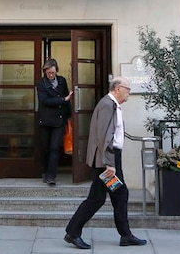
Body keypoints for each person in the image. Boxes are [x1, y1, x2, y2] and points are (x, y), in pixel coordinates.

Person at [64, 77, 146, 249]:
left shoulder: (113, 105)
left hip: (110, 158)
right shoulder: (108, 105)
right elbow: (104, 137)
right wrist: (109, 163)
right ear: (117, 88)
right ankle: (73, 232)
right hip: (106, 160)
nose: (129, 92)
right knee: (97, 198)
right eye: (127, 88)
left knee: (118, 194)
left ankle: (126, 235)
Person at [36, 58, 72, 186]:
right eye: (48, 73)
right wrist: (63, 99)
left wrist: (69, 116)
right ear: (45, 72)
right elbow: (45, 100)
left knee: (55, 148)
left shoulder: (62, 81)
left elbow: (68, 99)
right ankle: (45, 172)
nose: (51, 75)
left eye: (53, 73)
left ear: (56, 70)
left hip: (59, 120)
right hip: (45, 120)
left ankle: (52, 176)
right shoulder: (41, 83)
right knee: (45, 148)